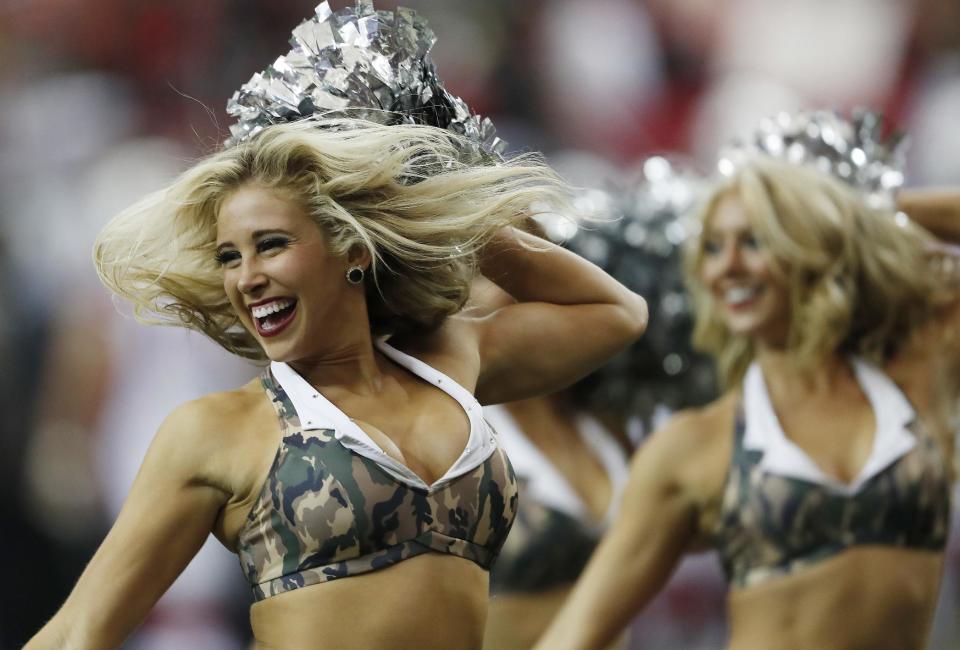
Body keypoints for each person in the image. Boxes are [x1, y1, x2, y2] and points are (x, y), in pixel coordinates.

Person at [24, 111, 647, 650]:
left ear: (352, 250)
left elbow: (616, 314)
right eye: (229, 257)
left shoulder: (449, 359)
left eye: (271, 245)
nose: (247, 277)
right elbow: (78, 632)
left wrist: (444, 201)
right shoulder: (218, 431)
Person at [535, 149, 960, 649]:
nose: (727, 267)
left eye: (753, 241)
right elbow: (575, 635)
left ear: (808, 247)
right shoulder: (694, 447)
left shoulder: (914, 377)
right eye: (712, 248)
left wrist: (851, 210)